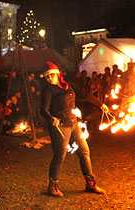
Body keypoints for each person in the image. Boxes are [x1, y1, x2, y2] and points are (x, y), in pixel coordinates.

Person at [41, 62, 106, 197]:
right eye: (47, 77)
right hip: (60, 127)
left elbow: (84, 94)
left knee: (84, 151)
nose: (49, 78)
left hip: (74, 124)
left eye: (51, 75)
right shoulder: (49, 90)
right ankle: (52, 187)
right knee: (60, 155)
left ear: (58, 74)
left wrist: (101, 104)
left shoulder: (68, 86)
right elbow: (43, 109)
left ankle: (90, 184)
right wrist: (51, 118)